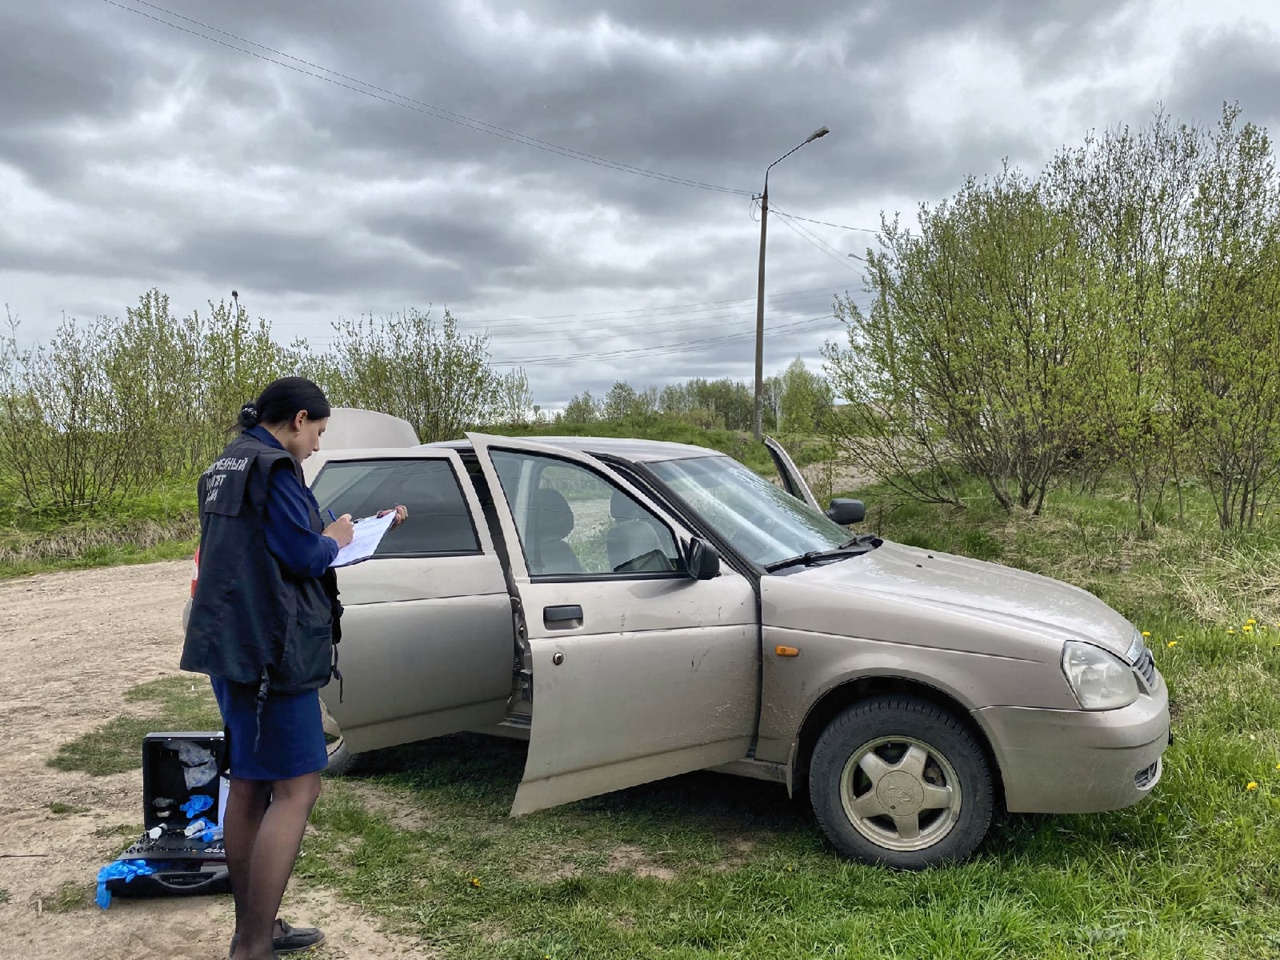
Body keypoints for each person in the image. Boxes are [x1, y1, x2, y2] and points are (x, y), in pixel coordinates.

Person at [181, 377, 405, 960]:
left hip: (230, 646)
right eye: (319, 433)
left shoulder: (229, 464)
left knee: (252, 785)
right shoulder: (276, 468)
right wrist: (334, 539)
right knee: (298, 787)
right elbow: (305, 554)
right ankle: (252, 942)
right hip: (270, 653)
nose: (316, 447)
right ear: (299, 419)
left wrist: (354, 527)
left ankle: (257, 925)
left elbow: (266, 541)